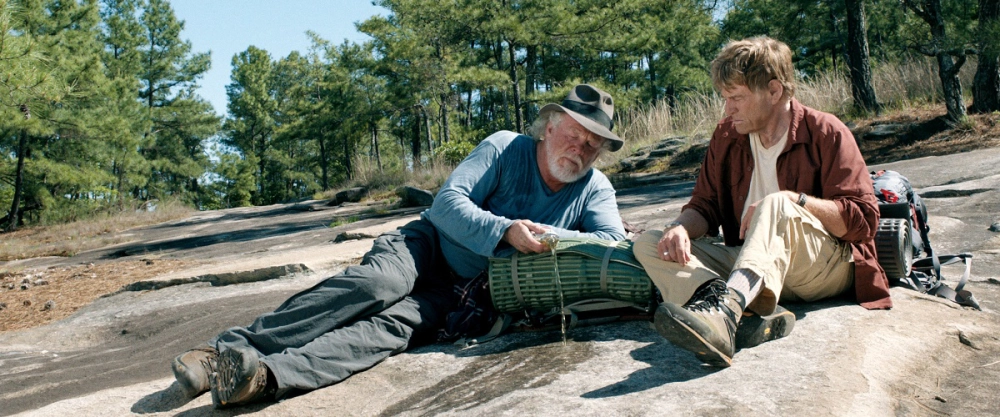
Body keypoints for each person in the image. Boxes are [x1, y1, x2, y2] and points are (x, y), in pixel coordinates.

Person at [170, 84, 628, 408]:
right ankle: (219, 353)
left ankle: (262, 378)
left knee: (389, 330)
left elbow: (610, 243)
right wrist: (506, 230)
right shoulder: (505, 148)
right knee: (378, 285)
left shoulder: (594, 188)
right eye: (575, 134)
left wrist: (560, 238)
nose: (581, 148)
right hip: (425, 245)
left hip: (469, 292)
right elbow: (447, 203)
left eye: (593, 145)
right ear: (550, 126)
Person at [633, 36, 891, 368]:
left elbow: (864, 222)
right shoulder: (727, 135)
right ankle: (743, 313)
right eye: (725, 98)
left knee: (777, 204)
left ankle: (727, 312)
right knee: (652, 243)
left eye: (737, 98)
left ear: (774, 91)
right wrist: (680, 228)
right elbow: (705, 206)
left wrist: (795, 201)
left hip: (821, 268)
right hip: (754, 267)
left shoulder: (827, 131)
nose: (728, 109)